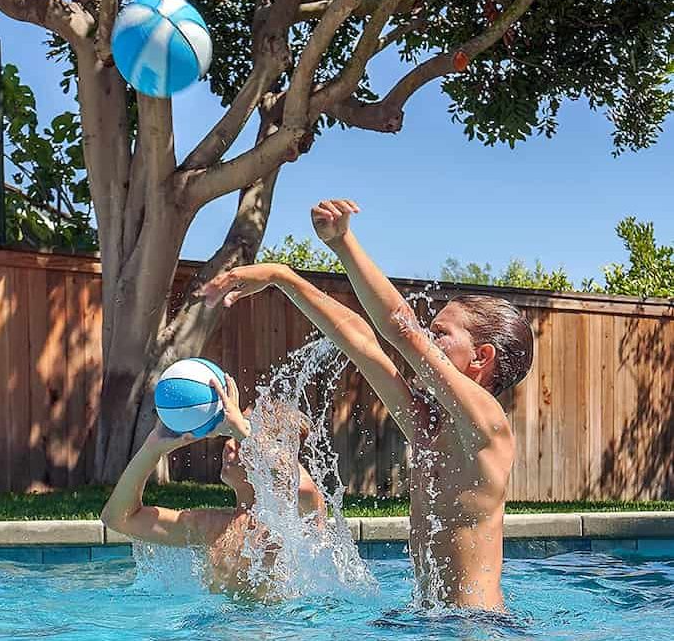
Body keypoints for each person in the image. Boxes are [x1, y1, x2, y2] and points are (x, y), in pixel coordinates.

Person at [199, 199, 534, 610]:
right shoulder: (429, 427)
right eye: (430, 332)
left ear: (481, 357)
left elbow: (401, 328)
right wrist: (286, 279)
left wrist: (344, 244)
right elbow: (361, 342)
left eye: (440, 334)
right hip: (428, 620)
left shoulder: (488, 425)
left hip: (478, 627)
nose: (427, 340)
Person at [100, 374, 325, 598]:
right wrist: (152, 448)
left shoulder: (295, 517)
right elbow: (118, 518)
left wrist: (243, 429)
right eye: (231, 434)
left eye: (239, 437)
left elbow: (294, 481)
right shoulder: (211, 527)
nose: (229, 443)